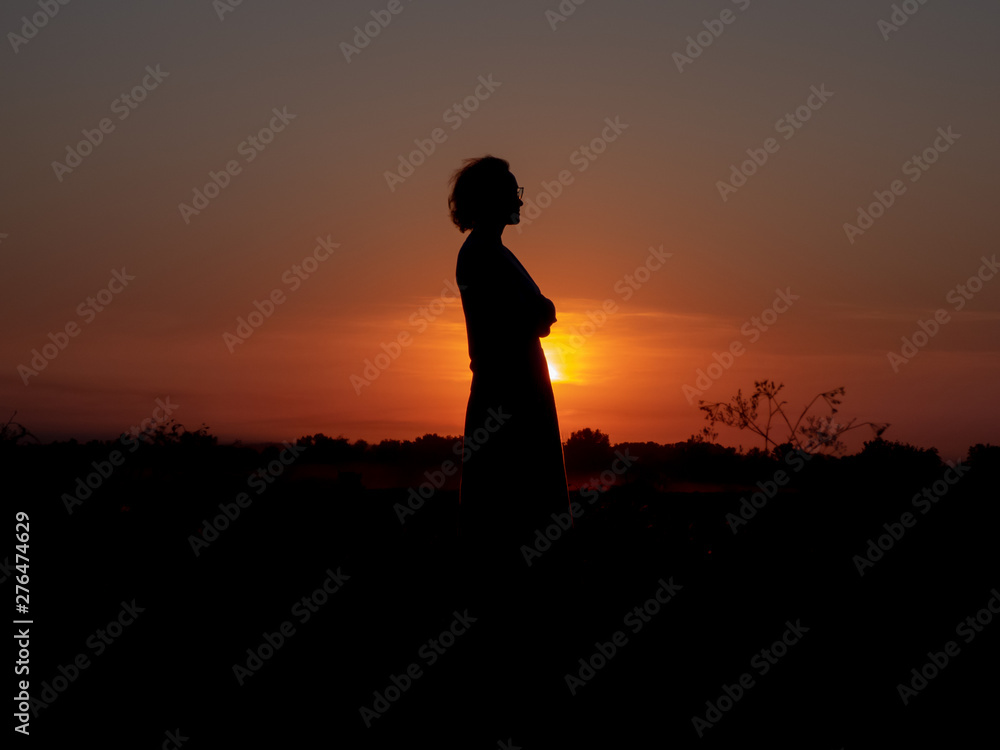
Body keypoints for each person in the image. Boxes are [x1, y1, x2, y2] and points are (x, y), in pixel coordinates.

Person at [449, 155, 571, 575]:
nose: (518, 200)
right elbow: (528, 316)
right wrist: (542, 309)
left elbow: (534, 314)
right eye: (510, 192)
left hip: (520, 391)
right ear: (488, 198)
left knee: (522, 507)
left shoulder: (496, 253)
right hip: (507, 396)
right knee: (510, 510)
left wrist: (540, 310)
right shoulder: (482, 254)